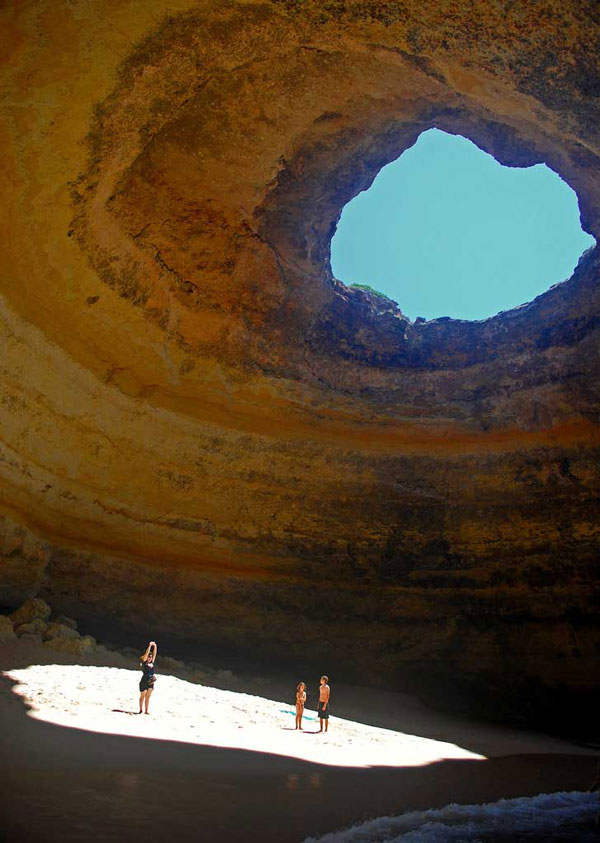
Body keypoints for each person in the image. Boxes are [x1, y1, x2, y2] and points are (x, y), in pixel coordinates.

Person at [138, 640, 157, 714]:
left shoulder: (152, 662)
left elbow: (154, 653)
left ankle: (146, 711)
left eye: (151, 657)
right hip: (144, 680)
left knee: (148, 697)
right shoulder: (144, 662)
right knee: (142, 696)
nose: (150, 658)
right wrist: (149, 646)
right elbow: (146, 654)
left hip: (151, 681)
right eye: (149, 657)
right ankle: (140, 710)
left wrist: (155, 646)